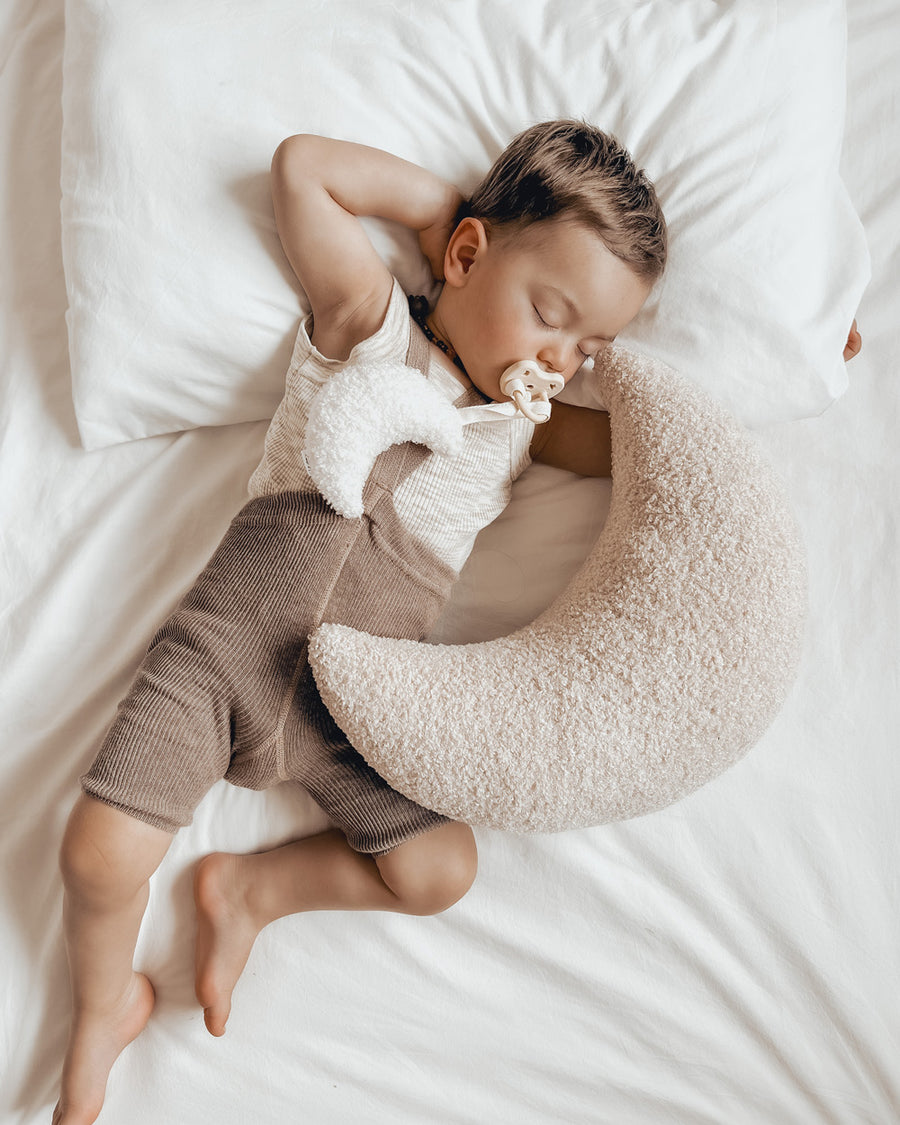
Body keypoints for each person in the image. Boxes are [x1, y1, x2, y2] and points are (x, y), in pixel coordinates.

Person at [52, 118, 857, 1124]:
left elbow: (658, 444)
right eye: (550, 315)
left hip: (358, 706)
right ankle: (103, 1007)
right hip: (222, 658)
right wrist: (443, 218)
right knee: (98, 853)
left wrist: (794, 364)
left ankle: (250, 892)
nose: (561, 359)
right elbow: (304, 169)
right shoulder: (367, 324)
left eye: (590, 346)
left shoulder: (522, 435)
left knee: (440, 871)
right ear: (472, 258)